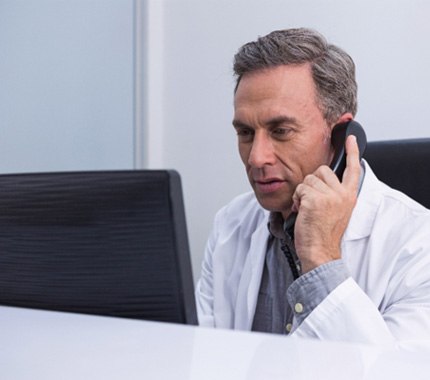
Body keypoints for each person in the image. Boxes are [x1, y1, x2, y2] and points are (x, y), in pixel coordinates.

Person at [195, 28, 430, 344]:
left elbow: (393, 372)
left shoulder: (418, 245)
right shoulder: (230, 225)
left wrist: (321, 258)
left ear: (340, 135)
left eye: (281, 131)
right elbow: (205, 360)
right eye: (246, 133)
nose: (256, 157)